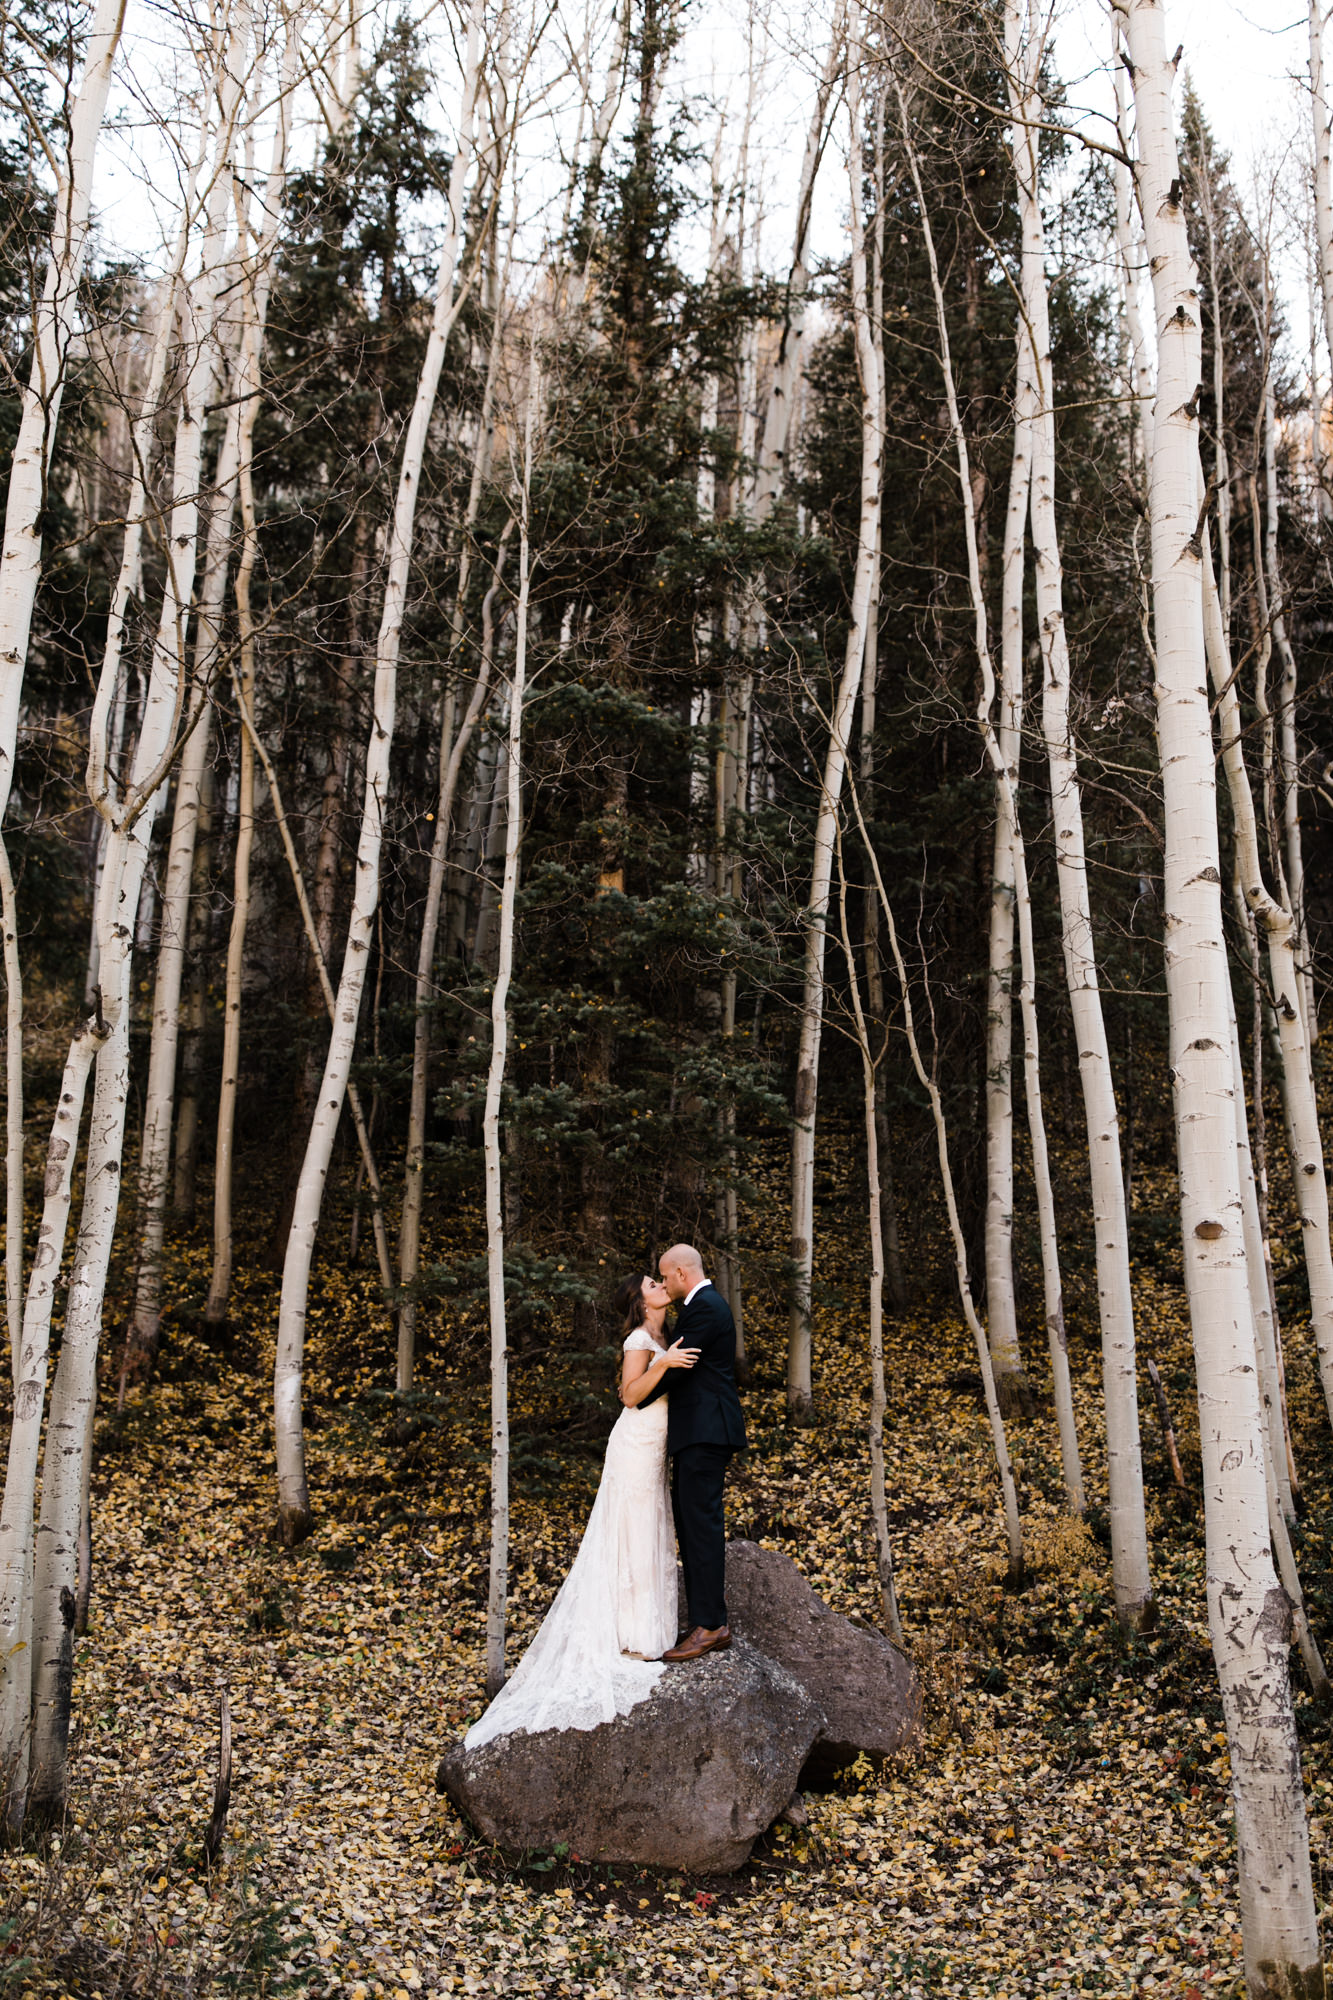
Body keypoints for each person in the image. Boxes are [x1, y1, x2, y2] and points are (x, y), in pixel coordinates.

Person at [462, 1274, 698, 1749]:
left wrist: (669, 1354)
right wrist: (665, 1363)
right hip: (635, 1442)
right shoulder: (640, 1339)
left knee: (649, 1525)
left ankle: (646, 1631)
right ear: (639, 1298)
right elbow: (629, 1394)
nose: (658, 1284)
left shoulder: (663, 1334)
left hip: (656, 1444)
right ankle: (627, 1634)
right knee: (629, 1527)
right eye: (651, 1282)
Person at [641, 1243, 747, 1663]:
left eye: (666, 1277)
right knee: (691, 1521)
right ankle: (705, 1619)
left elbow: (677, 1364)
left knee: (700, 1525)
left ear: (682, 1273)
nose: (664, 1284)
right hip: (699, 1431)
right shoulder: (702, 1306)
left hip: (707, 1430)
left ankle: (712, 1624)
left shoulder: (705, 1308)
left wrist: (636, 1397)